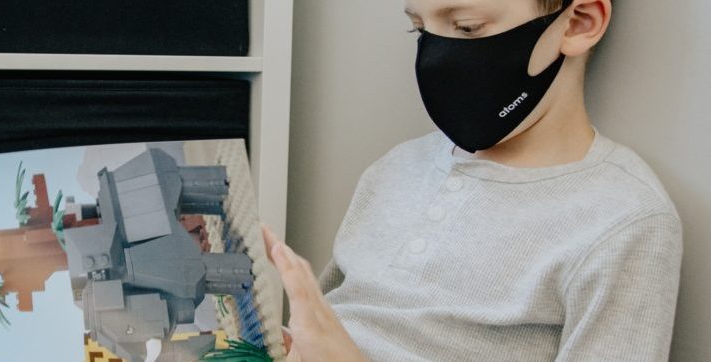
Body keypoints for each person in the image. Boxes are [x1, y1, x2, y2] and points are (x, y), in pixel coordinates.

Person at [264, 0, 683, 360]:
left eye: (467, 28)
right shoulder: (396, 167)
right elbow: (326, 329)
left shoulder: (624, 220)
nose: (436, 56)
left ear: (579, 23)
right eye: (420, 28)